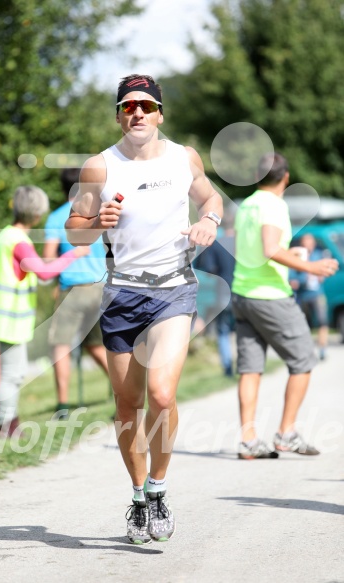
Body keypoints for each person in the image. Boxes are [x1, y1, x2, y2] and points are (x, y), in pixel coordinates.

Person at [65, 74, 223, 544]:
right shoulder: (99, 166)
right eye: (128, 106)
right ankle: (137, 497)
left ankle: (158, 489)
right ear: (118, 114)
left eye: (147, 105)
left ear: (160, 113)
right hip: (121, 293)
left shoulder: (183, 158)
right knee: (127, 405)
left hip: (174, 289)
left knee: (161, 394)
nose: (138, 113)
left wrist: (209, 220)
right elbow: (76, 231)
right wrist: (97, 220)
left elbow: (210, 196)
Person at [231, 153, 338, 460]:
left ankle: (249, 440)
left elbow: (257, 248)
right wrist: (312, 268)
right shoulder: (274, 205)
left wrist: (288, 253)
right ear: (286, 177)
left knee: (250, 368)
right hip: (270, 296)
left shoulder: (247, 205)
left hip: (242, 293)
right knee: (304, 360)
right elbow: (268, 249)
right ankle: (286, 433)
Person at [0, 185, 88, 438]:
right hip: (9, 317)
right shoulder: (19, 242)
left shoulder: (5, 236)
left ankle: (9, 423)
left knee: (13, 372)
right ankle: (6, 427)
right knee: (12, 374)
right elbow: (45, 273)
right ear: (37, 214)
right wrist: (73, 254)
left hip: (0, 315)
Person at [43, 168, 109, 417]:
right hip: (101, 287)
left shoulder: (57, 218)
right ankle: (125, 394)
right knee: (97, 346)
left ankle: (62, 406)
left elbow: (49, 261)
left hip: (72, 288)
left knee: (60, 345)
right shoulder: (98, 213)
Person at [193, 210, 236, 376]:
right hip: (244, 291)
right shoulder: (243, 242)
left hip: (223, 292)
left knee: (223, 331)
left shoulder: (216, 244)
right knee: (243, 329)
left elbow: (208, 269)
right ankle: (246, 366)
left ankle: (228, 368)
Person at [289, 233, 329, 361]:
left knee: (323, 322)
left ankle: (322, 348)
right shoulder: (298, 256)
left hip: (317, 294)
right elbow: (292, 276)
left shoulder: (319, 254)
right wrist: (300, 279)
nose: (308, 245)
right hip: (303, 295)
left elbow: (327, 270)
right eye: (305, 242)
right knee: (304, 324)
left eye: (310, 242)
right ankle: (307, 349)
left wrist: (322, 276)